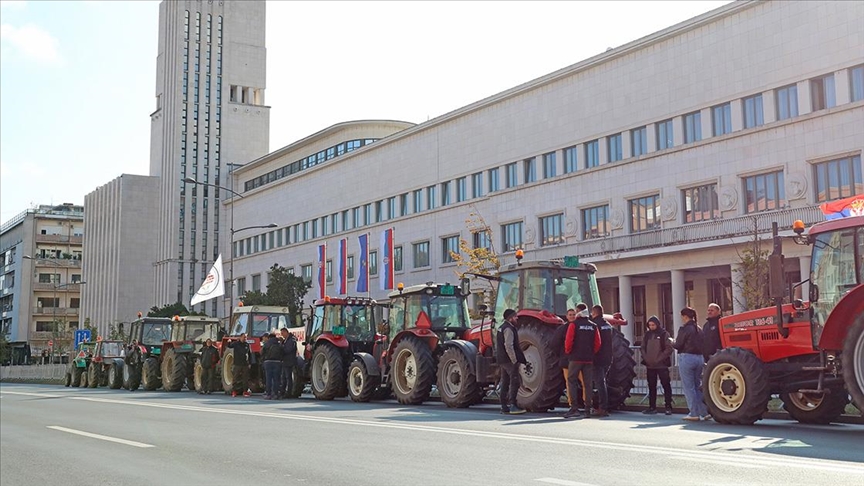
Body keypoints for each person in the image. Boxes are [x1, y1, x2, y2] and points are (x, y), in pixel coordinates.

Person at [563, 307, 601, 419]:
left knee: (571, 381)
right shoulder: (593, 326)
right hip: (588, 359)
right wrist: (591, 352)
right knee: (588, 383)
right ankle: (587, 409)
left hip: (575, 358)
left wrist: (569, 352)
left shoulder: (573, 325)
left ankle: (574, 408)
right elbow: (598, 343)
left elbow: (568, 341)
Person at [673, 307, 709, 421]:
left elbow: (678, 344)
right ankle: (704, 412)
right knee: (697, 386)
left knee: (689, 387)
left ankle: (693, 412)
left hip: (687, 357)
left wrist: (671, 341)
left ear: (685, 316)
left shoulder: (684, 329)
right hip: (699, 358)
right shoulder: (699, 329)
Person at [553, 303, 587, 409]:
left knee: (585, 382)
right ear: (567, 316)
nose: (572, 316)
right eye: (570, 315)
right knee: (569, 383)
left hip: (578, 360)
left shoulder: (579, 326)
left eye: (573, 314)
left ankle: (586, 402)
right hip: (567, 361)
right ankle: (572, 404)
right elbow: (555, 344)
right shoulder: (562, 329)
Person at [640, 315, 674, 415]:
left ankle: (668, 407)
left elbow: (669, 348)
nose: (651, 327)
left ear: (657, 324)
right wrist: (646, 358)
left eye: (653, 325)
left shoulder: (664, 334)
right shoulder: (647, 335)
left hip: (662, 365)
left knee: (666, 385)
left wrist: (659, 358)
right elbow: (642, 348)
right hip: (650, 365)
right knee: (651, 386)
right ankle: (652, 407)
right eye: (650, 325)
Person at [497, 308, 527, 415]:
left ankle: (504, 406)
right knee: (515, 381)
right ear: (510, 318)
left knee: (505, 382)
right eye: (515, 316)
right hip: (509, 360)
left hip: (502, 359)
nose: (517, 318)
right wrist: (514, 360)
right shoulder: (509, 329)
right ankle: (513, 405)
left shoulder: (501, 327)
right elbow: (508, 346)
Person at [590, 304, 613, 417]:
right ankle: (602, 405)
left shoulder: (595, 325)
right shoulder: (608, 325)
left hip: (598, 358)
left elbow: (595, 343)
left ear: (594, 313)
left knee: (599, 383)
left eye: (592, 313)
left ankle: (602, 407)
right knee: (602, 382)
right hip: (608, 357)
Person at [228, 333, 252, 397]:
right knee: (235, 378)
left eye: (246, 337)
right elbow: (229, 346)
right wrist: (229, 342)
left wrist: (250, 363)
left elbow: (250, 354)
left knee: (245, 378)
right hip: (237, 363)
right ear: (240, 337)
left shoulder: (247, 345)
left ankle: (245, 391)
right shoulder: (236, 344)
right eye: (244, 337)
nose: (245, 338)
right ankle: (234, 391)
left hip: (245, 364)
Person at [261, 332, 283, 400]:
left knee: (268, 379)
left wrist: (263, 360)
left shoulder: (266, 344)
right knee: (276, 379)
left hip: (268, 362)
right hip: (277, 362)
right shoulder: (279, 344)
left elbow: (262, 353)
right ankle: (275, 394)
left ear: (269, 337)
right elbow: (283, 352)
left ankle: (268, 394)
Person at [280, 328, 298, 399]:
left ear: (286, 332)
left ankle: (289, 392)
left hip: (289, 361)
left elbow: (288, 350)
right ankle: (283, 391)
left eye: (282, 333)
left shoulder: (291, 340)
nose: (282, 335)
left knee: (288, 377)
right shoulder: (286, 340)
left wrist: (282, 348)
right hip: (285, 361)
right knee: (283, 377)